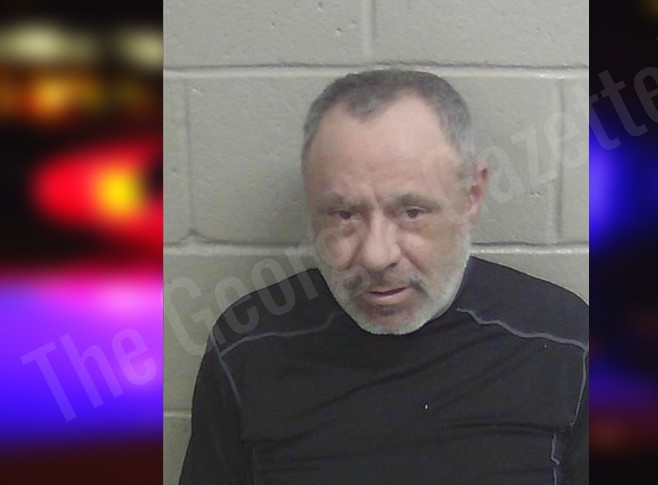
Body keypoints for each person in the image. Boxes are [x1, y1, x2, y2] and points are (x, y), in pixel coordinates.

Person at [179, 70, 588, 485]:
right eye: (344, 214)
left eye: (411, 212)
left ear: (471, 197)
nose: (376, 256)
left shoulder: (563, 345)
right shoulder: (249, 347)